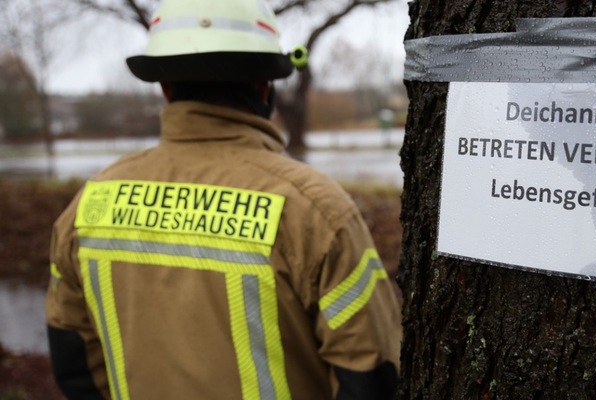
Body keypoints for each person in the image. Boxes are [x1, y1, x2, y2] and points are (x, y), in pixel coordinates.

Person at [45, 0, 402, 399]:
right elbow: (371, 372)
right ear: (264, 86)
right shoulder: (315, 210)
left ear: (165, 88)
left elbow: (74, 363)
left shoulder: (88, 205)